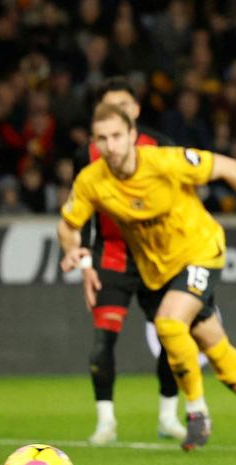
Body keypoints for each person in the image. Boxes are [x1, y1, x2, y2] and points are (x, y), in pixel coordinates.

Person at [58, 103, 236, 450]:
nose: (110, 146)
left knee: (169, 323)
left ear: (133, 137)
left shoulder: (164, 162)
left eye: (117, 137)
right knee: (213, 345)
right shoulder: (92, 180)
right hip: (158, 270)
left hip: (201, 250)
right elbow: (68, 225)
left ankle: (196, 412)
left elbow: (228, 166)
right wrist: (73, 252)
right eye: (102, 139)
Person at [72, 78, 183, 445]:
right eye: (109, 107)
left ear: (135, 111)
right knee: (102, 341)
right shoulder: (86, 156)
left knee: (171, 336)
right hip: (113, 257)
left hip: (156, 257)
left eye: (123, 105)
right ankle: (106, 422)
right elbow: (79, 214)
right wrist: (85, 257)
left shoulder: (161, 148)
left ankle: (168, 416)